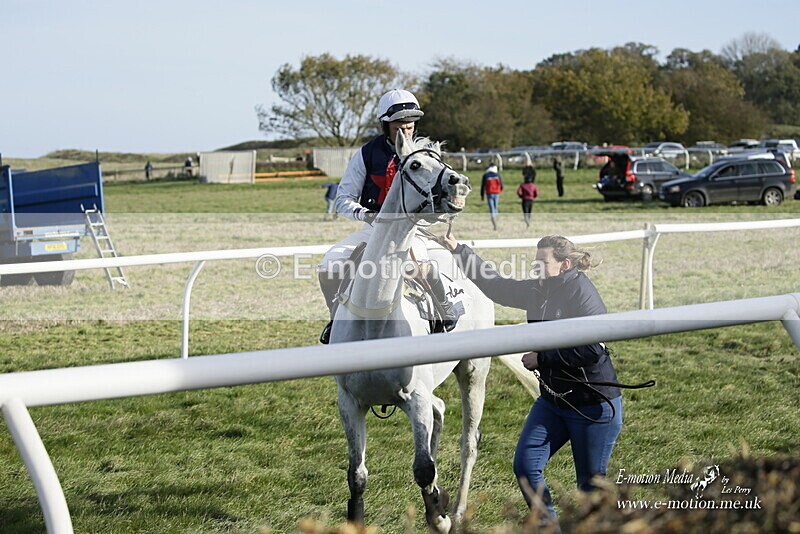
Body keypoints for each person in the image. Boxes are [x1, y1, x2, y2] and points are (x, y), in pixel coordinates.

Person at [433, 233, 642, 529]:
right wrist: (458, 249)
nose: (536, 266)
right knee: (525, 467)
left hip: (594, 405)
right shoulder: (538, 288)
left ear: (565, 264)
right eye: (535, 260)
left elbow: (593, 349)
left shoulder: (582, 292)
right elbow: (497, 287)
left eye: (542, 262)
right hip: (553, 401)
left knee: (590, 488)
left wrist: (543, 359)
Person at [317, 89, 459, 344]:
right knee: (329, 265)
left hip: (410, 229)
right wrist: (366, 214)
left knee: (418, 267)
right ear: (385, 125)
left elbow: (438, 198)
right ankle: (335, 320)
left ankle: (445, 308)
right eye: (399, 128)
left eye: (410, 127)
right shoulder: (366, 153)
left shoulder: (425, 154)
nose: (406, 133)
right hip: (373, 226)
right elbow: (342, 198)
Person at [481, 164, 504, 230]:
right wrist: (500, 190)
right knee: (496, 207)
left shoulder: (485, 175)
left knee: (492, 208)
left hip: (489, 193)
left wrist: (482, 196)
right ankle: (496, 220)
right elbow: (501, 184)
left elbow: (483, 186)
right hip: (496, 192)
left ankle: (494, 223)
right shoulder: (497, 175)